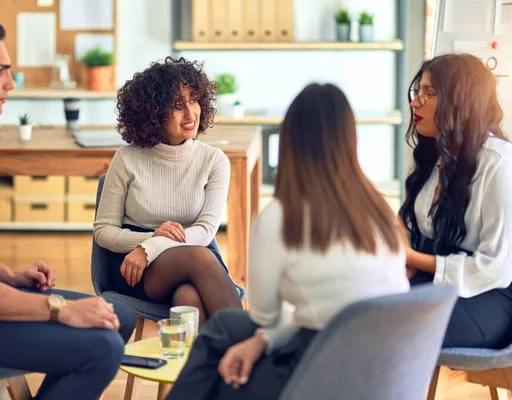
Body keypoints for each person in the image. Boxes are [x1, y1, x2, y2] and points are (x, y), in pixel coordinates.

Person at [0, 17, 136, 400]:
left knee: (119, 316)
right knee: (103, 347)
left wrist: (9, 275)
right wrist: (59, 308)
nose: (10, 84)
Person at [166, 83, 410, 400]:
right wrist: (262, 342)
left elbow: (264, 317)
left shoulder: (280, 218)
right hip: (387, 374)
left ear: (289, 142)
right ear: (350, 139)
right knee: (227, 325)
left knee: (223, 350)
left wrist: (262, 338)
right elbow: (329, 312)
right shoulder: (381, 214)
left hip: (321, 375)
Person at [93, 57, 242, 326]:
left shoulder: (214, 161)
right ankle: (251, 352)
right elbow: (103, 231)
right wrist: (146, 242)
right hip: (136, 266)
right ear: (153, 113)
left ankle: (207, 366)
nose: (190, 113)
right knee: (200, 257)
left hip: (182, 253)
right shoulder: (127, 158)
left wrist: (153, 246)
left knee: (190, 298)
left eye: (194, 100)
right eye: (176, 106)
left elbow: (206, 231)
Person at [401, 53, 512, 349]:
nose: (415, 102)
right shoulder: (435, 154)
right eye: (417, 92)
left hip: (487, 297)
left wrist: (411, 259)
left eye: (429, 93)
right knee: (356, 304)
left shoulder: (499, 163)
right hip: (439, 282)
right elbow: (415, 228)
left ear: (459, 100)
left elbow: (493, 268)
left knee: (387, 326)